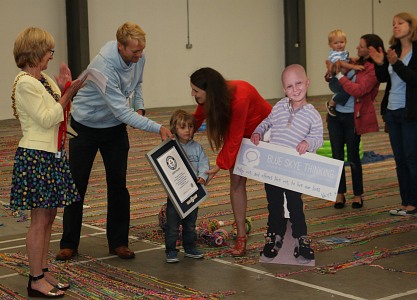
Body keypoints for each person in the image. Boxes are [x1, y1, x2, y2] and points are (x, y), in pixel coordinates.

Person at [56, 21, 172, 261]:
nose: (139, 56)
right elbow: (121, 111)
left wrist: (139, 106)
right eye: (134, 52)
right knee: (77, 185)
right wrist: (158, 127)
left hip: (113, 130)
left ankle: (118, 242)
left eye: (141, 50)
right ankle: (69, 244)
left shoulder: (139, 57)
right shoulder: (103, 66)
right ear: (120, 46)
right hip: (85, 127)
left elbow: (136, 85)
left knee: (118, 186)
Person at [10, 27, 85, 298]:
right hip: (36, 156)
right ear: (35, 51)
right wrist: (68, 93)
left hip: (52, 154)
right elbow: (47, 118)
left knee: (49, 216)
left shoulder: (43, 80)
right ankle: (35, 279)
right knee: (39, 220)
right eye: (49, 51)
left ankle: (42, 270)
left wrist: (66, 91)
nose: (51, 56)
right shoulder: (26, 83)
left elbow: (63, 115)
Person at [190, 67, 272, 256]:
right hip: (242, 132)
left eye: (196, 90)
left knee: (273, 184)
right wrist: (180, 135)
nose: (192, 94)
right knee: (236, 182)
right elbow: (196, 118)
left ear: (209, 91)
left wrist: (219, 164)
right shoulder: (211, 97)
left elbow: (234, 136)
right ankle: (241, 236)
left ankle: (279, 230)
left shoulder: (240, 96)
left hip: (265, 132)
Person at [251, 64, 323, 261]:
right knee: (274, 204)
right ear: (284, 90)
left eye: (298, 83)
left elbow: (319, 138)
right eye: (289, 86)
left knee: (294, 204)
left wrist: (308, 142)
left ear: (307, 83)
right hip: (274, 168)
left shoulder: (312, 115)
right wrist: (258, 131)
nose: (295, 89)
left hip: (294, 170)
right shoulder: (280, 106)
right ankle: (274, 235)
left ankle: (301, 238)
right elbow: (267, 122)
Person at [327, 34, 385, 209]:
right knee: (337, 157)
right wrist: (332, 73)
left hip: (354, 116)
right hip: (336, 116)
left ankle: (358, 194)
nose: (357, 48)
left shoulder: (371, 69)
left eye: (361, 46)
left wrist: (340, 76)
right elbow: (331, 77)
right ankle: (340, 193)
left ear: (370, 50)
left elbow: (358, 91)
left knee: (353, 157)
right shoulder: (350, 60)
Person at [369, 12, 417, 216]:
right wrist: (381, 63)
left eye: (400, 23)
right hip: (392, 110)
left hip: (410, 112)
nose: (395, 26)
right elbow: (384, 79)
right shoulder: (393, 50)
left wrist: (396, 63)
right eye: (393, 24)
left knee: (411, 158)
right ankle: (405, 202)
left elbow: (414, 79)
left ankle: (414, 202)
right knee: (399, 159)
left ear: (411, 26)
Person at [164, 110, 209, 263]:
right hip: (175, 195)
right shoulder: (170, 147)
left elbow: (204, 164)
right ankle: (171, 250)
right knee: (173, 226)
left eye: (190, 127)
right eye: (183, 127)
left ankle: (189, 248)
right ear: (174, 128)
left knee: (190, 224)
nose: (187, 130)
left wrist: (203, 176)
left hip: (193, 194)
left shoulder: (197, 148)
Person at [325, 29, 365, 116]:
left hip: (341, 78)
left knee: (348, 89)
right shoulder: (334, 54)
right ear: (330, 45)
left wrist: (351, 59)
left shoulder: (343, 53)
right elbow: (341, 63)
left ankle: (337, 103)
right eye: (336, 43)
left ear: (346, 42)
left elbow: (346, 60)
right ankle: (331, 103)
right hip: (335, 81)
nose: (339, 44)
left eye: (341, 42)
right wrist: (353, 66)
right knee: (346, 90)